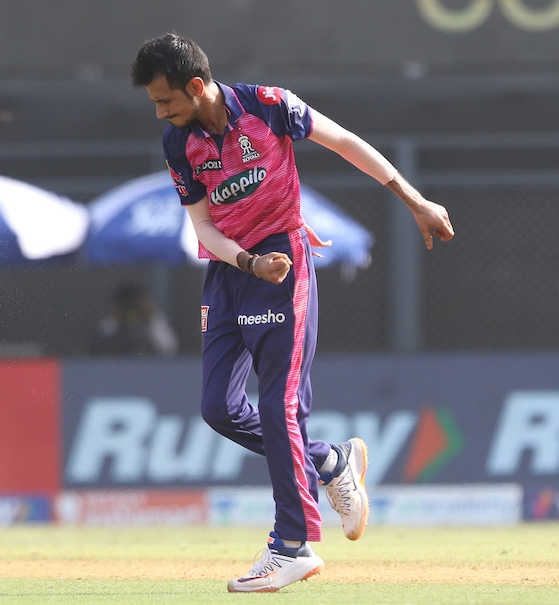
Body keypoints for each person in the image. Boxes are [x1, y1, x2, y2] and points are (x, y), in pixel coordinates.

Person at [130, 33, 454, 593]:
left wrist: (415, 200)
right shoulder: (178, 141)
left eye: (166, 100)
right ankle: (329, 462)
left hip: (283, 263)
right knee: (218, 408)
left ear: (197, 86)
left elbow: (345, 142)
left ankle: (292, 545)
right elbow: (202, 225)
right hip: (233, 271)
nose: (160, 112)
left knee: (279, 405)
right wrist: (246, 262)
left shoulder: (268, 105)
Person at [89, 282, 179, 357]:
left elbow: (169, 350)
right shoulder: (110, 326)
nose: (132, 311)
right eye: (128, 306)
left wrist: (151, 318)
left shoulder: (155, 324)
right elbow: (97, 349)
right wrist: (114, 319)